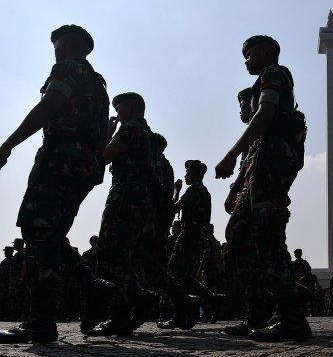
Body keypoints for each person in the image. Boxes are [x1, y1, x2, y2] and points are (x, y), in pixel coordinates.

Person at [0, 25, 114, 343]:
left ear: (63, 44)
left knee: (37, 230)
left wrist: (7, 144)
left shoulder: (67, 68)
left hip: (60, 159)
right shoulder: (97, 84)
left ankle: (41, 319)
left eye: (55, 44)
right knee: (51, 233)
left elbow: (49, 105)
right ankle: (91, 284)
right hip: (84, 166)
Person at [215, 35, 310, 341]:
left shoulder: (273, 74)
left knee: (268, 235)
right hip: (260, 166)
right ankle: (258, 310)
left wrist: (230, 154)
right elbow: (255, 145)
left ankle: (292, 315)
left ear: (267, 52)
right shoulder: (264, 81)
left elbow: (264, 116)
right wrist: (237, 185)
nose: (246, 59)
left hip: (273, 165)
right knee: (238, 235)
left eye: (250, 52)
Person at [88, 92, 158, 337]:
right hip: (139, 198)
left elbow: (104, 157)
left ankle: (121, 315)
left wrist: (106, 132)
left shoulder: (128, 130)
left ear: (128, 108)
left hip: (124, 196)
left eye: (118, 109)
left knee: (109, 256)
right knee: (121, 256)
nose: (117, 115)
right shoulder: (146, 133)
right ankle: (138, 299)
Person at [158, 159, 223, 330]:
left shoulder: (193, 190)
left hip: (188, 236)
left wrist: (175, 191)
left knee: (173, 273)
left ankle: (179, 314)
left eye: (188, 172)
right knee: (185, 276)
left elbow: (174, 208)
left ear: (194, 173)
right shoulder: (205, 192)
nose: (185, 175)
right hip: (198, 237)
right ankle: (213, 298)